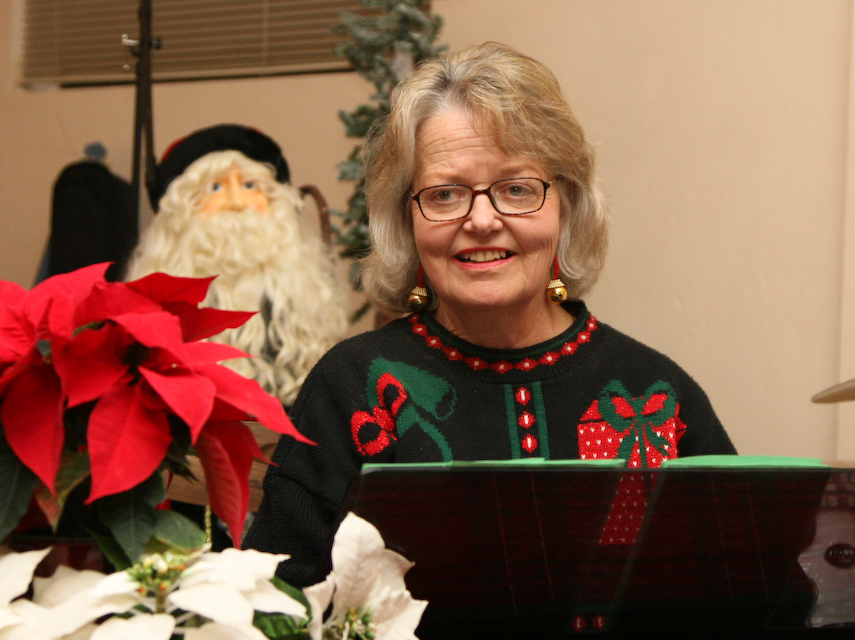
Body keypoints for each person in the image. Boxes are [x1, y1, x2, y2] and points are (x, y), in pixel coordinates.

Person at [244, 43, 736, 588]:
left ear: (567, 206)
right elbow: (272, 600)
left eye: (516, 189)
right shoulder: (353, 387)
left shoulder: (656, 391)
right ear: (406, 220)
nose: (481, 220)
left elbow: (752, 589)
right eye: (445, 194)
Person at [126, 125, 347, 407]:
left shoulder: (301, 293)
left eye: (249, 185)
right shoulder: (163, 300)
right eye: (216, 188)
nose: (236, 202)